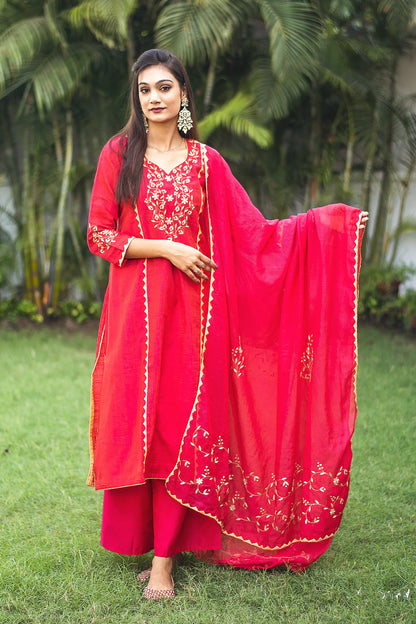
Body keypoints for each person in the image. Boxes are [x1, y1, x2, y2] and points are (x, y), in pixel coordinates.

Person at [87, 48, 368, 601]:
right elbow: (99, 236)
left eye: (164, 87)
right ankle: (153, 543)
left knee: (178, 428)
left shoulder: (207, 163)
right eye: (145, 90)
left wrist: (327, 228)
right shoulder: (119, 154)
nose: (154, 98)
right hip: (136, 318)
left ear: (184, 94)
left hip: (197, 318)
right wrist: (168, 248)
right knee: (141, 428)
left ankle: (164, 564)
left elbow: (254, 233)